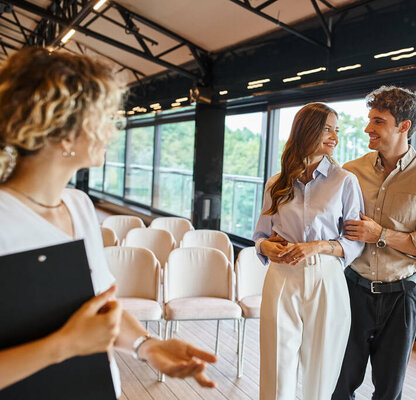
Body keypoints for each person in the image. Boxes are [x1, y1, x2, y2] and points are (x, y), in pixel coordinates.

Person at [0, 47, 217, 397]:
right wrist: (63, 346)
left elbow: (101, 310)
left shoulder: (79, 206)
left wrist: (147, 346)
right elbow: (77, 338)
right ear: (65, 133)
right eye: (105, 118)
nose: (113, 131)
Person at [332, 86, 416, 400]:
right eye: (369, 120)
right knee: (338, 384)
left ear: (403, 126)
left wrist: (381, 235)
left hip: (402, 297)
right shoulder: (351, 172)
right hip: (351, 290)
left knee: (389, 391)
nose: (367, 128)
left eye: (378, 121)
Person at [253, 103, 365, 400]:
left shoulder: (345, 182)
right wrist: (266, 246)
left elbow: (354, 242)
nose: (334, 137)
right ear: (307, 130)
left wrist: (318, 246)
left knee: (321, 369)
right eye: (327, 129)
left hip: (325, 277)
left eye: (336, 130)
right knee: (276, 367)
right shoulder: (275, 184)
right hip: (281, 276)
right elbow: (261, 235)